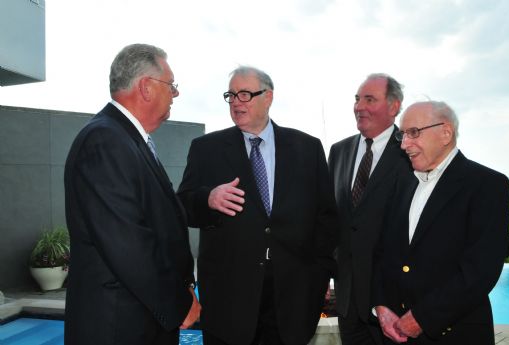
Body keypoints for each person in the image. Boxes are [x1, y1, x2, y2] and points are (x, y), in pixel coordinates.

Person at [177, 66, 338, 345]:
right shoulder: (207, 149)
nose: (236, 102)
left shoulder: (307, 148)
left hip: (291, 300)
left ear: (268, 97)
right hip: (230, 302)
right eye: (231, 96)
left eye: (245, 94)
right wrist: (208, 198)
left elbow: (325, 219)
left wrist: (318, 277)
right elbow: (183, 207)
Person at [64, 43, 200, 345]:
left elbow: (157, 220)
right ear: (146, 87)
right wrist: (179, 303)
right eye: (171, 85)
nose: (175, 94)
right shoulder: (105, 141)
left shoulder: (125, 140)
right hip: (119, 328)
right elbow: (128, 243)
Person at [372, 101, 509, 344]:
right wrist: (381, 305)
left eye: (413, 133)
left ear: (445, 133)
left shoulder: (487, 184)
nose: (404, 144)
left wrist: (422, 318)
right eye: (402, 135)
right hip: (394, 335)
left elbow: (480, 271)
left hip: (455, 335)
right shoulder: (403, 184)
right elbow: (384, 251)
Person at [328, 73, 412, 345]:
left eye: (369, 99)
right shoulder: (339, 151)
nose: (358, 106)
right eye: (357, 99)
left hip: (394, 303)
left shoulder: (411, 151)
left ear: (394, 106)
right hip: (348, 301)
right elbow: (332, 219)